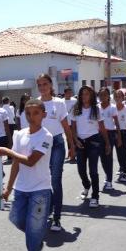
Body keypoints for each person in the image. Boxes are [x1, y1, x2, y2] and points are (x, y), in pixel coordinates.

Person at [0, 99, 53, 251]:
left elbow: (30, 161)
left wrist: (7, 151)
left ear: (44, 114)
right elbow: (16, 163)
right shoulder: (20, 134)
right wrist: (8, 188)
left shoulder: (46, 136)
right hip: (21, 189)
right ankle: (35, 239)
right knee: (16, 218)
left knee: (34, 227)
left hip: (40, 189)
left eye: (36, 113)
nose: (31, 117)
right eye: (28, 113)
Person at [36, 73, 75, 231]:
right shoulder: (35, 103)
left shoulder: (58, 103)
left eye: (45, 84)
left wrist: (72, 146)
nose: (42, 87)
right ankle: (47, 209)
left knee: (55, 180)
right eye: (39, 85)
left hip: (57, 143)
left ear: (51, 85)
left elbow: (66, 126)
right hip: (40, 145)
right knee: (43, 181)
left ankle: (57, 218)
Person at [71, 85, 111, 209]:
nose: (84, 96)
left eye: (87, 94)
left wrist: (107, 143)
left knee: (93, 170)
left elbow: (102, 127)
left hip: (94, 141)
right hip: (80, 142)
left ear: (91, 95)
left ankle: (95, 196)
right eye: (82, 94)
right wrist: (75, 141)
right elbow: (72, 127)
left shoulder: (96, 109)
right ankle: (86, 185)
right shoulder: (75, 108)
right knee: (81, 170)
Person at [98, 87, 121, 191]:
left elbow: (116, 123)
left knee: (108, 157)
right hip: (99, 134)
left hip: (110, 134)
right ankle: (107, 176)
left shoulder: (112, 108)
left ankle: (109, 181)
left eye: (105, 95)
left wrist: (119, 137)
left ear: (108, 96)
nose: (102, 97)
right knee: (102, 158)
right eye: (101, 95)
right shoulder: (96, 107)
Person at [113, 89, 126, 182]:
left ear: (123, 98)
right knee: (119, 152)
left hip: (124, 131)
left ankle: (124, 172)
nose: (118, 98)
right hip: (115, 132)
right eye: (116, 96)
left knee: (123, 152)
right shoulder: (112, 108)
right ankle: (121, 168)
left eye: (120, 96)